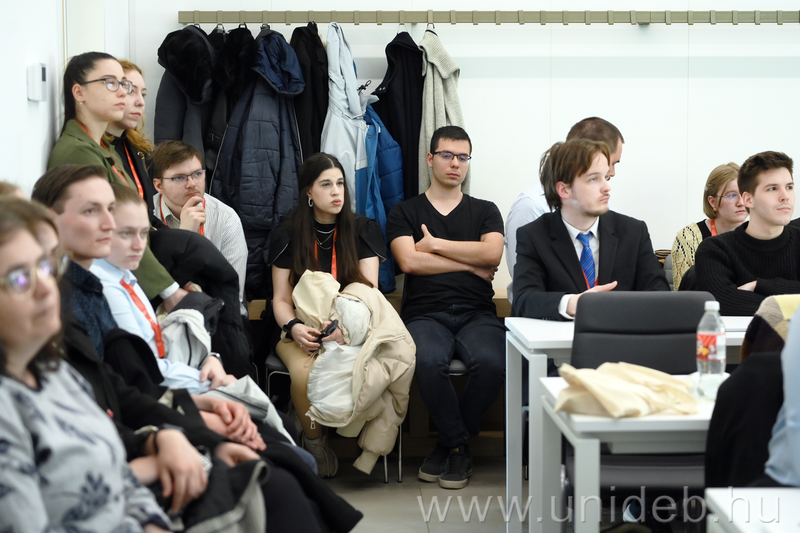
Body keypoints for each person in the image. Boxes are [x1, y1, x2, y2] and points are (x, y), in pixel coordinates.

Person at [0, 197, 172, 532]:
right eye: (20, 279)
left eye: (46, 268)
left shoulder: (53, 370)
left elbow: (117, 471)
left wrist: (153, 523)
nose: (46, 289)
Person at [387, 126, 505, 490]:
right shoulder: (405, 211)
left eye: (462, 157)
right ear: (430, 158)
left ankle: (449, 445)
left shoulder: (485, 210)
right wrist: (470, 265)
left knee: (493, 362)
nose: (455, 164)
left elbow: (492, 254)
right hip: (424, 313)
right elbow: (409, 261)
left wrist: (435, 245)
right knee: (426, 362)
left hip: (477, 312)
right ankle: (459, 446)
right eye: (447, 155)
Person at [269, 152, 387, 478]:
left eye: (340, 183)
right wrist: (294, 327)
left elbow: (368, 294)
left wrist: (343, 331)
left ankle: (309, 416)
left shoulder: (363, 229)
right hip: (300, 330)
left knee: (369, 370)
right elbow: (280, 299)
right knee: (306, 375)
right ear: (308, 191)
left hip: (351, 329)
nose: (336, 192)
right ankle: (315, 441)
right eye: (326, 185)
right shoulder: (287, 233)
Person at [47, 51, 186, 309]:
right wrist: (169, 291)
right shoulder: (79, 152)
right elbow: (112, 230)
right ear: (79, 92)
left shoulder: (104, 147)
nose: (123, 93)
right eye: (111, 83)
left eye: (123, 84)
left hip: (125, 270)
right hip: (109, 279)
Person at [91, 182, 238, 395]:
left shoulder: (125, 274)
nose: (139, 245)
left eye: (143, 233)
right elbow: (148, 369)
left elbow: (156, 351)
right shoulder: (106, 286)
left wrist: (211, 359)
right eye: (126, 233)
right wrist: (209, 383)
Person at [513, 138, 668, 321]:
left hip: (622, 335)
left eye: (606, 177)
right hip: (559, 338)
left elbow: (660, 296)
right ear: (564, 190)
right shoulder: (534, 236)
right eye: (593, 179)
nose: (607, 187)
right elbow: (524, 300)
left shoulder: (633, 232)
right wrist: (573, 303)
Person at [505, 117, 624, 304]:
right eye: (612, 163)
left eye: (606, 175)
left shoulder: (616, 218)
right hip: (549, 319)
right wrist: (570, 304)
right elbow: (526, 292)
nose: (612, 176)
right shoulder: (530, 209)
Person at [695, 151, 800, 316]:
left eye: (789, 187)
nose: (785, 196)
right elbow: (722, 302)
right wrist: (792, 302)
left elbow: (737, 301)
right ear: (748, 200)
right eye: (772, 188)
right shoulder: (715, 249)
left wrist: (759, 285)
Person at [152, 140, 248, 315]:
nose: (192, 183)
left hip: (216, 315)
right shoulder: (146, 217)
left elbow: (232, 294)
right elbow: (149, 288)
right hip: (160, 314)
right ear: (159, 185)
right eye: (179, 177)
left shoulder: (225, 219)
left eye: (197, 174)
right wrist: (185, 235)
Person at [671, 163, 747, 290]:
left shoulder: (759, 234)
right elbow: (685, 294)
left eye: (744, 194)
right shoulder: (688, 238)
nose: (741, 202)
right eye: (732, 195)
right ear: (712, 202)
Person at [104, 59, 160, 220]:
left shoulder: (138, 149)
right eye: (130, 91)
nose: (140, 102)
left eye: (143, 94)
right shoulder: (93, 148)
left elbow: (148, 216)